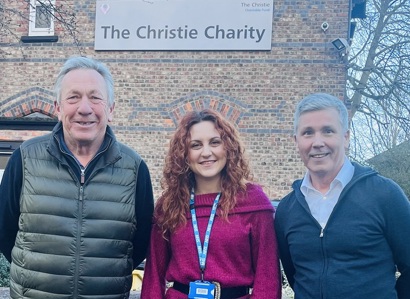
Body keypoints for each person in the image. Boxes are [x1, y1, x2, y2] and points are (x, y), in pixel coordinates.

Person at [0, 56, 154, 299]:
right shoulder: (24, 159)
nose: (84, 108)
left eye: (95, 97)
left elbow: (141, 242)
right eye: (73, 97)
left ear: (111, 109)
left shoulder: (134, 169)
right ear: (58, 108)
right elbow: (5, 231)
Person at [274, 93, 410, 299]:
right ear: (296, 141)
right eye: (308, 133)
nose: (317, 142)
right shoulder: (286, 210)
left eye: (328, 131)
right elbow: (295, 276)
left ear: (345, 137)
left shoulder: (385, 195)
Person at [141, 109, 281, 299]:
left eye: (215, 142)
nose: (206, 153)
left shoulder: (253, 202)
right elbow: (153, 276)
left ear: (228, 147)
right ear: (184, 153)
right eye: (196, 145)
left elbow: (268, 279)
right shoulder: (169, 205)